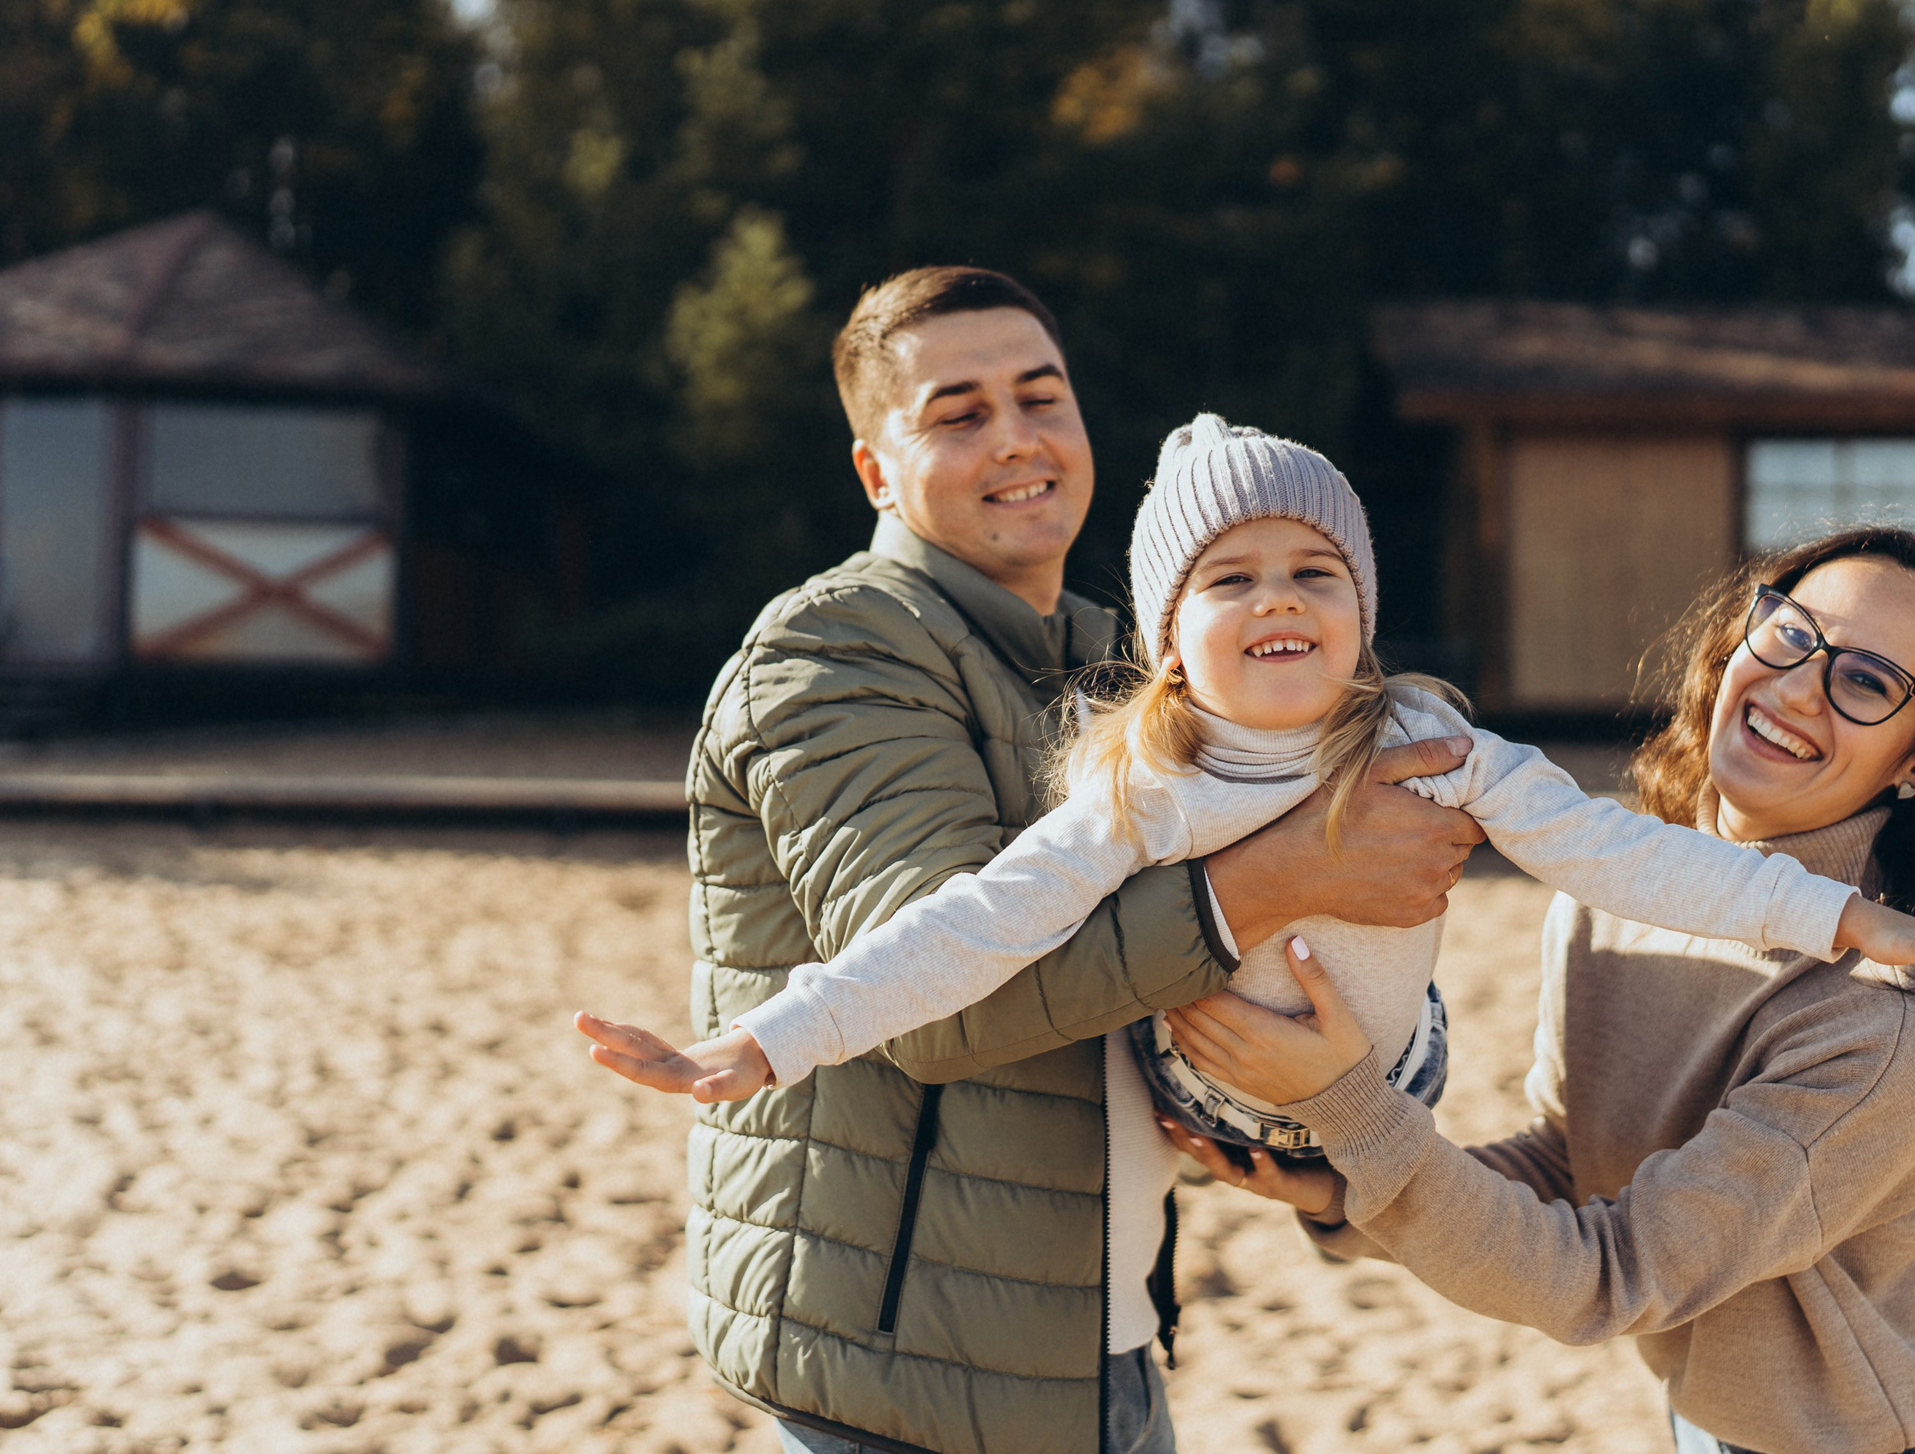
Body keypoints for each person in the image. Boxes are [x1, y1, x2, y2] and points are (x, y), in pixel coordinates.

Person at [588, 417, 1915, 1170]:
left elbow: (1628, 857)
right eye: (1231, 578)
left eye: (1315, 571)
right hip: (1208, 1092)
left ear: (1362, 610)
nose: (1279, 597)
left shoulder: (1424, 737)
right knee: (1072, 940)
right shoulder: (1146, 782)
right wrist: (768, 1040)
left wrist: (1851, 921)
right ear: (1170, 635)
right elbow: (973, 922)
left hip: (1390, 1081)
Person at [572, 268, 1485, 1454]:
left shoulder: (1124, 666)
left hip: (1098, 1345)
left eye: (1041, 397)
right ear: (876, 471)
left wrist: (1323, 1120)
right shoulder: (832, 651)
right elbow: (937, 1009)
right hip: (902, 1369)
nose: (1016, 438)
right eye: (959, 414)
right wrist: (1289, 875)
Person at [1159, 526, 1915, 1454]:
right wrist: (1345, 1182)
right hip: (1711, 1424)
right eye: (1791, 632)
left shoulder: (1886, 1025)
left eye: (1866, 681)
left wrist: (1358, 1113)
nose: (1798, 687)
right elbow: (1571, 1159)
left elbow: (1607, 1273)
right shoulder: (1610, 898)